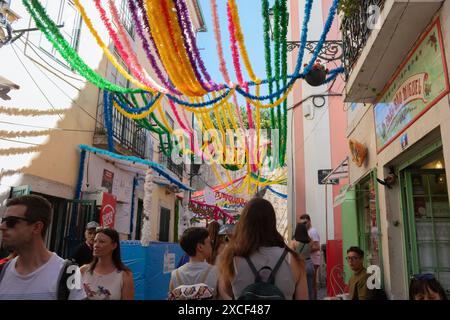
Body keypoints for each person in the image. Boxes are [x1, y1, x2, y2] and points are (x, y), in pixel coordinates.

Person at [218, 198, 308, 300]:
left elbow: (226, 293)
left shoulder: (231, 259)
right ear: (272, 222)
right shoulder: (293, 260)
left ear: (244, 224)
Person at [0, 195, 86, 300]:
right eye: (3, 220)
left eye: (11, 222)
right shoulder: (2, 271)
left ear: (36, 227)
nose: (2, 226)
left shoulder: (71, 272)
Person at [80, 227, 134, 300]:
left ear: (114, 245)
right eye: (95, 241)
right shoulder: (83, 271)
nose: (96, 245)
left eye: (102, 242)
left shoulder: (125, 275)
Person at [169, 227, 218, 298]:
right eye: (210, 242)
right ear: (200, 247)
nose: (211, 245)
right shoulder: (216, 272)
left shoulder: (175, 275)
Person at [299, 214, 321, 299]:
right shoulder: (308, 231)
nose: (303, 225)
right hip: (309, 260)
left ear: (309, 221)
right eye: (302, 223)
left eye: (305, 222)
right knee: (310, 283)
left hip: (313, 260)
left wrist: (303, 250)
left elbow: (317, 246)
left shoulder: (312, 231)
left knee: (312, 284)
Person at [291, 222, 314, 300]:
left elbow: (291, 255)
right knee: (310, 289)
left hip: (300, 266)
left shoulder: (294, 243)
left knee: (299, 290)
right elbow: (311, 240)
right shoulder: (309, 242)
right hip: (309, 264)